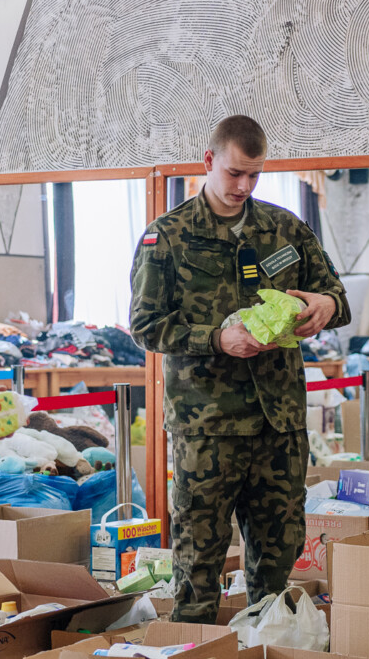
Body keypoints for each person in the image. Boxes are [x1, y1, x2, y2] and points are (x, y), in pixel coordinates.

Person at [130, 115, 350, 623]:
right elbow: (145, 325)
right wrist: (216, 339)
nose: (244, 186)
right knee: (198, 563)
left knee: (278, 560)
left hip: (279, 424)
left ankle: (267, 657)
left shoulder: (285, 229)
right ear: (208, 161)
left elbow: (336, 297)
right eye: (235, 173)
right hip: (207, 426)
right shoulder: (168, 237)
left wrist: (325, 305)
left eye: (255, 175)